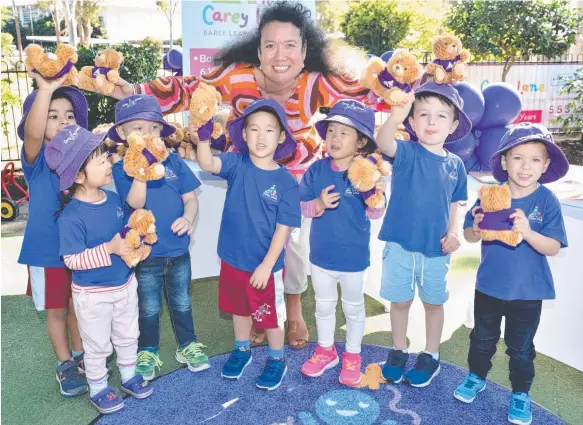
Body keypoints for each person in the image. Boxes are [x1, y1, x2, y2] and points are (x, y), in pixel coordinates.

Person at [111, 1, 377, 349]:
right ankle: (255, 313)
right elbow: (189, 89)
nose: (279, 54)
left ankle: (291, 312)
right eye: (270, 45)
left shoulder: (316, 80)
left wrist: (407, 86)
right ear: (259, 49)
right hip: (249, 175)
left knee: (290, 250)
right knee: (249, 242)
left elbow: (367, 92)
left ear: (305, 49)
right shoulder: (236, 73)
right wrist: (132, 92)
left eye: (290, 45)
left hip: (294, 179)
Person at [453, 123, 569, 425]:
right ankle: (476, 376)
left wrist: (528, 231)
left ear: (545, 166)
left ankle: (520, 394)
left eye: (534, 159)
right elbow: (470, 235)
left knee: (520, 349)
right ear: (504, 161)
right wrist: (475, 227)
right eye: (517, 157)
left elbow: (553, 247)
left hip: (528, 293)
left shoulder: (546, 201)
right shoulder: (491, 195)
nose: (525, 166)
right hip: (489, 287)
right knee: (481, 339)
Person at [47, 125, 153, 414]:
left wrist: (135, 242)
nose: (109, 163)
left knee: (129, 334)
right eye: (101, 160)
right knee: (96, 345)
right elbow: (73, 260)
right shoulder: (71, 216)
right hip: (92, 295)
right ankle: (98, 387)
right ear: (79, 175)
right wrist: (109, 249)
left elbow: (125, 233)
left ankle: (129, 376)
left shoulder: (114, 200)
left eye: (107, 157)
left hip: (124, 285)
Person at [196, 98, 301, 390]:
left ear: (281, 137)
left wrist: (267, 267)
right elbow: (207, 162)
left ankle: (276, 358)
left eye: (269, 130)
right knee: (239, 309)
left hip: (265, 267)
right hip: (232, 259)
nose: (261, 136)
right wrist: (203, 137)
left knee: (270, 318)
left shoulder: (286, 181)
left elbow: (284, 230)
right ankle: (241, 349)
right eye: (254, 129)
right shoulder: (236, 162)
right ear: (244, 135)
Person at [376, 82, 471, 387]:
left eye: (441, 116)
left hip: (436, 250)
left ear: (453, 125)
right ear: (413, 122)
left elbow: (457, 203)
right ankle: (398, 350)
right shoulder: (405, 152)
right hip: (400, 247)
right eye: (424, 115)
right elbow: (383, 141)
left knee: (433, 303)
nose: (432, 122)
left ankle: (431, 354)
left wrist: (454, 231)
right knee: (400, 302)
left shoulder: (456, 165)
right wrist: (395, 116)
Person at [110, 94, 209, 381]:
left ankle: (187, 345)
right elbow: (135, 204)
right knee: (149, 306)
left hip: (178, 252)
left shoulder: (175, 163)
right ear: (123, 135)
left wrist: (188, 218)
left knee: (181, 302)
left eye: (153, 128)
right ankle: (148, 350)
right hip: (145, 256)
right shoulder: (121, 169)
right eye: (138, 129)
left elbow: (191, 200)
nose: (148, 134)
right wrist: (141, 170)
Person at [299, 100, 385, 386]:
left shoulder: (367, 173)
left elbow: (375, 213)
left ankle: (352, 354)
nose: (335, 138)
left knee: (353, 308)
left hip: (353, 259)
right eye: (331, 130)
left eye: (344, 133)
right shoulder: (316, 170)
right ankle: (326, 350)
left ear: (361, 141)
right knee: (323, 305)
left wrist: (375, 194)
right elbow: (303, 206)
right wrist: (319, 204)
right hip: (321, 257)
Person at [17, 74, 88, 397]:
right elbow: (32, 135)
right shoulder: (37, 158)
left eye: (69, 116)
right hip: (47, 252)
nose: (62, 122)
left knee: (78, 305)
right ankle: (65, 364)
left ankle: (82, 354)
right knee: (57, 309)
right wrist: (44, 89)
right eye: (52, 115)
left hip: (80, 249)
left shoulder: (80, 158)